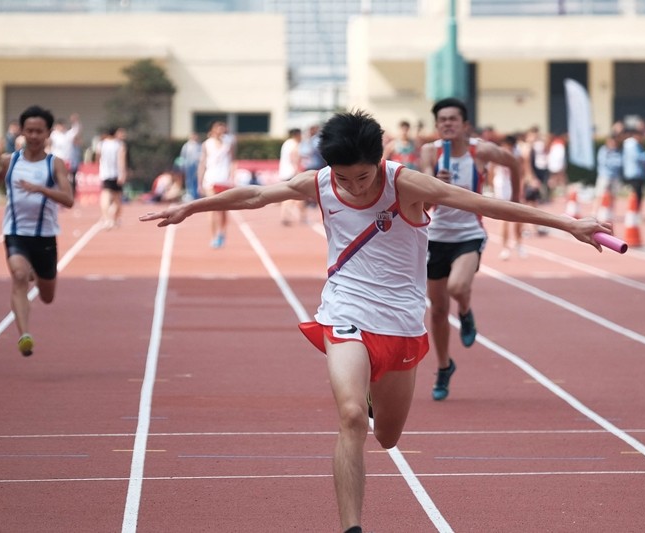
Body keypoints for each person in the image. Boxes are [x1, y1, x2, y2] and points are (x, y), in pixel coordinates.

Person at [139, 110, 610, 532]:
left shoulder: (406, 183)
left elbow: (482, 205)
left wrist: (569, 225)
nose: (355, 187)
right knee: (350, 419)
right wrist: (192, 206)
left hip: (402, 321)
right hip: (345, 308)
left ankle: (370, 391)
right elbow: (258, 195)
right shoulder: (322, 183)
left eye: (363, 177)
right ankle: (352, 527)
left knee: (387, 435)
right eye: (345, 178)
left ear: (378, 162)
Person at [419, 97, 521, 401]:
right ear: (437, 126)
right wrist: (434, 182)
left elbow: (514, 163)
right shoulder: (430, 152)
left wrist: (515, 202)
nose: (447, 124)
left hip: (468, 233)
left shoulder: (481, 151)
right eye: (442, 120)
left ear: (465, 125)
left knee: (457, 286)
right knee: (436, 310)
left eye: (453, 119)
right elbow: (424, 202)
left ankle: (465, 311)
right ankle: (444, 366)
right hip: (436, 235)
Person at [0, 105, 74, 356]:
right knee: (19, 276)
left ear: (48, 133)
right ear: (22, 131)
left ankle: (36, 272)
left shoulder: (55, 165)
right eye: (29, 130)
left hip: (44, 235)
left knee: (47, 295)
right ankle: (24, 335)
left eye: (38, 131)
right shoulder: (10, 160)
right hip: (15, 231)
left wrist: (41, 189)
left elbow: (68, 199)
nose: (33, 136)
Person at [198, 121, 235, 247]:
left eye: (223, 130)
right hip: (211, 180)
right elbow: (202, 163)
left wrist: (232, 177)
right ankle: (213, 236)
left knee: (224, 210)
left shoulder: (228, 143)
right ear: (213, 130)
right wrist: (199, 182)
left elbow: (232, 161)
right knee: (212, 208)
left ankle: (222, 232)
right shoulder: (207, 144)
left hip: (224, 180)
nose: (221, 132)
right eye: (219, 130)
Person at [489, 134, 524, 259]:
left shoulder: (518, 156)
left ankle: (519, 243)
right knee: (504, 219)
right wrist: (491, 187)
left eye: (509, 146)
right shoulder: (498, 155)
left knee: (519, 217)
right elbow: (491, 171)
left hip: (514, 186)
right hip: (501, 187)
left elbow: (522, 172)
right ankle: (505, 247)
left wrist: (521, 188)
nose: (507, 148)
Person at [98, 127, 127, 229]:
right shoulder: (119, 145)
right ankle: (114, 219)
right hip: (115, 174)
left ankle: (107, 219)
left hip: (104, 173)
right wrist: (122, 173)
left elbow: (98, 158)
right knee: (117, 199)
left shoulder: (101, 144)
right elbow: (121, 160)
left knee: (105, 196)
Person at [278, 128, 305, 225]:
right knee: (299, 194)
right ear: (297, 135)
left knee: (288, 195)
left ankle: (284, 215)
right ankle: (302, 216)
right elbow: (293, 156)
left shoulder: (286, 143)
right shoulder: (294, 144)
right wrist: (297, 170)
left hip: (284, 172)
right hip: (291, 172)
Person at [592, 135, 623, 219]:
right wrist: (613, 163)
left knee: (613, 195)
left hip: (615, 177)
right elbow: (603, 162)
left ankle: (611, 212)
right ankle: (594, 213)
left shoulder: (618, 152)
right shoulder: (603, 150)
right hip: (604, 176)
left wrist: (612, 163)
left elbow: (619, 163)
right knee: (599, 195)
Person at [621, 129, 645, 213]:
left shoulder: (628, 144)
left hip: (632, 172)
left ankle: (633, 211)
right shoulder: (632, 144)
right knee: (637, 194)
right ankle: (634, 211)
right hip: (636, 173)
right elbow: (638, 158)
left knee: (635, 193)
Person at [179, 132, 202, 201]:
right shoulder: (186, 146)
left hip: (196, 165)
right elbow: (183, 156)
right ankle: (190, 194)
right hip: (188, 165)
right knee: (189, 180)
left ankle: (196, 194)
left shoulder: (199, 145)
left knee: (196, 180)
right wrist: (182, 166)